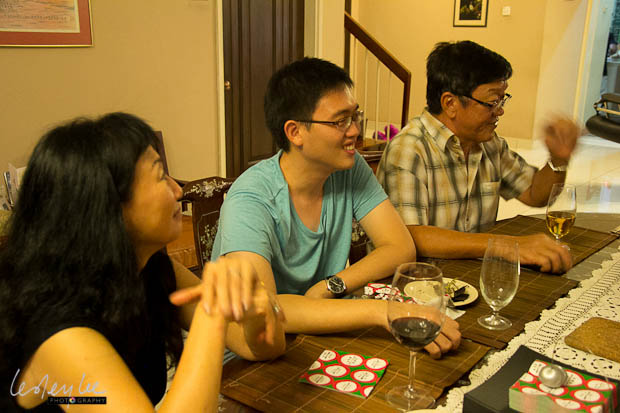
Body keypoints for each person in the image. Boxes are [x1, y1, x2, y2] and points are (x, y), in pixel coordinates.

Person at [0, 113, 285, 412]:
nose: (178, 190)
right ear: (108, 206)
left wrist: (258, 313)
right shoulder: (59, 332)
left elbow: (262, 346)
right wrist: (212, 313)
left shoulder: (150, 271)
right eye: (161, 176)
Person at [211, 57, 461, 359]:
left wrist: (331, 285)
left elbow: (399, 247)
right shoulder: (250, 199)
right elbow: (266, 309)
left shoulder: (349, 168)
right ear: (295, 132)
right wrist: (383, 312)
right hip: (249, 359)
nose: (355, 130)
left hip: (317, 335)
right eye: (340, 121)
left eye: (355, 116)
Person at [376, 40, 580, 274]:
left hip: (469, 275)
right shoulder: (409, 149)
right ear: (450, 103)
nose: (500, 110)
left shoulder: (489, 144)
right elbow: (411, 235)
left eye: (502, 100)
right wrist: (506, 245)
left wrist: (559, 159)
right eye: (492, 102)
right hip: (417, 280)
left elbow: (535, 194)